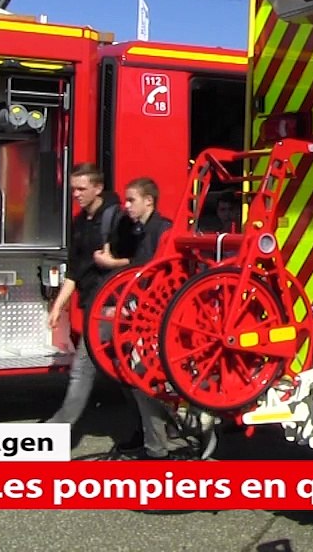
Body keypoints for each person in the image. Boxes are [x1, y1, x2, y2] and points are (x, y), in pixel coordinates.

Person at [101, 177, 199, 460]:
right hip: (146, 315)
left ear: (149, 201)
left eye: (131, 200)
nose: (126, 206)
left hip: (159, 319)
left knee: (143, 380)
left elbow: (159, 277)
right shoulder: (142, 231)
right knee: (130, 376)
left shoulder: (163, 231)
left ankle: (161, 444)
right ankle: (161, 437)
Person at [44, 163, 130, 429]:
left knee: (82, 366)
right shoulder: (80, 222)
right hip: (94, 303)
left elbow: (139, 260)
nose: (76, 195)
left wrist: (111, 264)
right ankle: (161, 431)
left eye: (82, 189)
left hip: (113, 305)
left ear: (98, 188)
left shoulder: (118, 220)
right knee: (127, 373)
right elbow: (74, 269)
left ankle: (58, 429)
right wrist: (58, 306)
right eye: (73, 190)